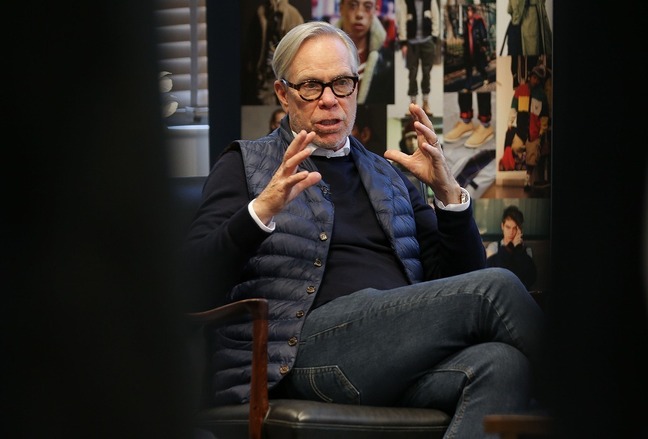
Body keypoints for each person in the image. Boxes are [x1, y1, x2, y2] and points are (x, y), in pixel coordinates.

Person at [183, 21, 546, 438]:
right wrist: (259, 212)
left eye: (342, 84)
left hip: (394, 351)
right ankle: (595, 402)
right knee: (495, 288)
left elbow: (457, 280)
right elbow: (191, 283)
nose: (329, 100)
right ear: (283, 93)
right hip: (297, 353)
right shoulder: (245, 164)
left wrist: (448, 195)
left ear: (356, 86)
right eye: (311, 86)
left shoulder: (391, 176)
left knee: (502, 364)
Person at [335, 0, 395, 104]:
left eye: (367, 7)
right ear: (341, 8)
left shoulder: (387, 62)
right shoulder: (323, 55)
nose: (359, 14)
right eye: (353, 5)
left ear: (375, 10)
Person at [508, 64, 550, 191]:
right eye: (534, 77)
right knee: (515, 147)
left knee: (532, 158)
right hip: (521, 130)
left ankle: (527, 179)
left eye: (538, 79)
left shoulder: (542, 95)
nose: (535, 81)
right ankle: (525, 159)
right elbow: (513, 107)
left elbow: (544, 115)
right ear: (530, 76)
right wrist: (510, 122)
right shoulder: (520, 90)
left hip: (534, 132)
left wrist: (542, 129)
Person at [395, 0, 441, 115]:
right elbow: (402, 20)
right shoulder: (407, 2)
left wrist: (434, 37)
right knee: (412, 73)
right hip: (411, 43)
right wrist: (403, 42)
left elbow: (436, 17)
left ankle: (425, 103)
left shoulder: (430, 1)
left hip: (427, 41)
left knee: (426, 72)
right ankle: (413, 104)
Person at [486, 205, 538, 290]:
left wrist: (518, 249)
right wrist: (509, 248)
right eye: (508, 227)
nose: (511, 232)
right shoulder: (493, 248)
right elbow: (493, 275)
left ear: (519, 230)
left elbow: (528, 279)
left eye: (515, 228)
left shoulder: (525, 251)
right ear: (502, 226)